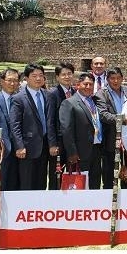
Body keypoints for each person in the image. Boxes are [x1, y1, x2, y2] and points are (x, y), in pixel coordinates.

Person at [9, 63, 54, 190]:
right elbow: (14, 124)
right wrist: (19, 146)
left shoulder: (49, 95)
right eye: (34, 76)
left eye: (41, 76)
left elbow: (51, 121)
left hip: (45, 147)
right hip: (26, 148)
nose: (38, 79)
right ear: (26, 78)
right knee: (27, 184)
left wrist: (52, 143)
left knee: (41, 183)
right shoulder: (18, 98)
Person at [59, 72, 103, 189]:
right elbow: (66, 130)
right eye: (86, 84)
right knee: (80, 185)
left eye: (91, 84)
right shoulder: (69, 103)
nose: (88, 87)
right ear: (78, 85)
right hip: (79, 152)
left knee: (95, 182)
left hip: (96, 148)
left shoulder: (95, 101)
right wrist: (72, 152)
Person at [95, 67, 127, 189]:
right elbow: (103, 115)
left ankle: (126, 203)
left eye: (118, 78)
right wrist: (123, 120)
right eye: (112, 78)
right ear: (107, 79)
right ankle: (108, 203)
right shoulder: (101, 94)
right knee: (109, 176)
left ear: (122, 78)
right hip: (111, 140)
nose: (115, 81)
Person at [46, 62, 76, 190]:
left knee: (72, 173)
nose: (67, 77)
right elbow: (50, 120)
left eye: (69, 74)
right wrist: (52, 144)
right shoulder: (52, 94)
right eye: (63, 74)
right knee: (56, 175)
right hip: (59, 142)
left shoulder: (76, 92)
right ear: (57, 77)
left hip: (73, 141)